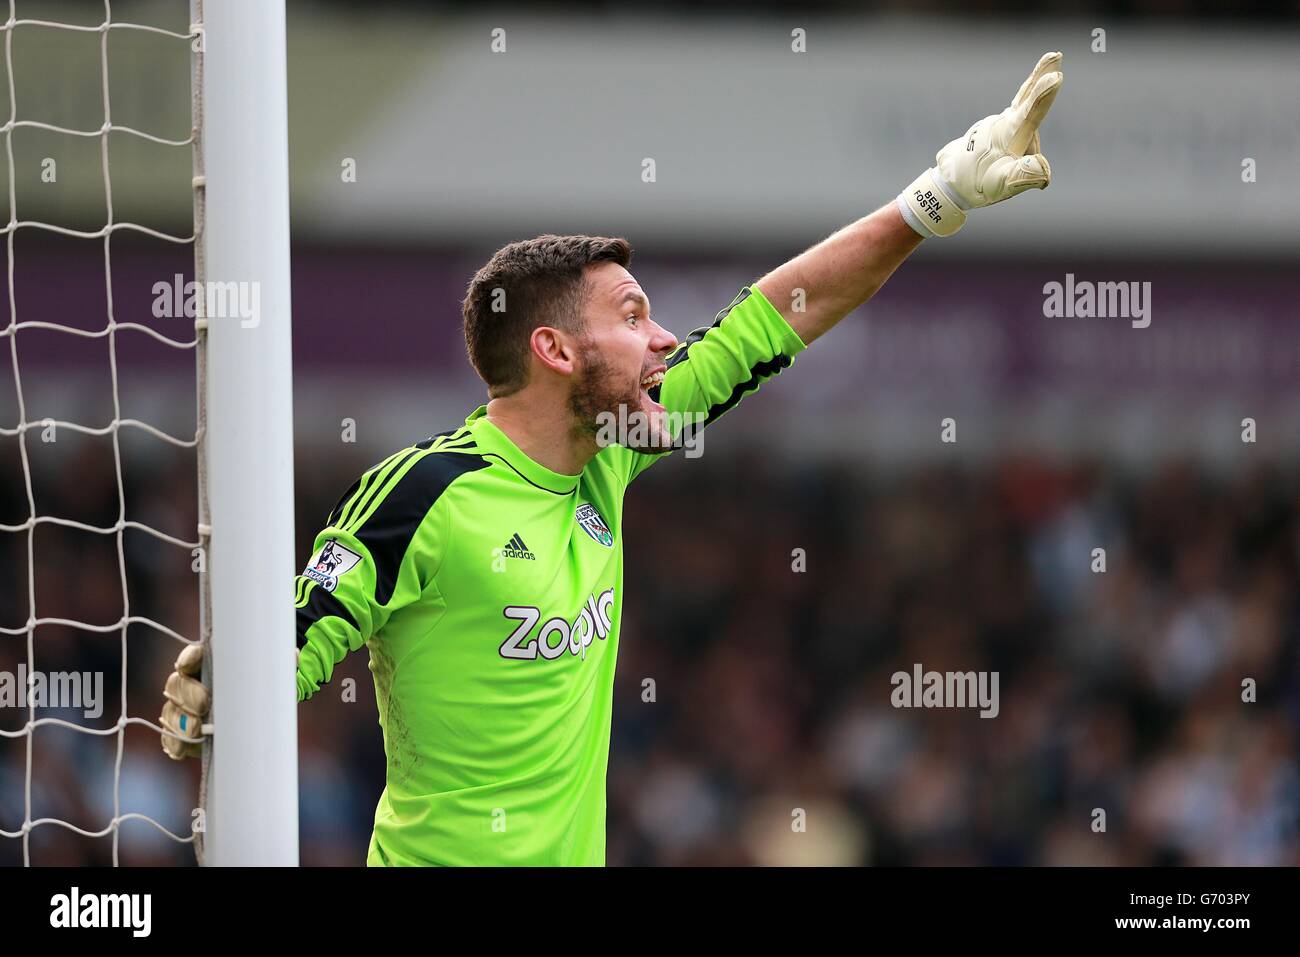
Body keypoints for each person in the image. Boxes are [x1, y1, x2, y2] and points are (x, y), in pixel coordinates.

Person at [160, 53, 1064, 866]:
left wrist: (938, 194)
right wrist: (224, 682)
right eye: (633, 317)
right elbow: (299, 638)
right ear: (555, 350)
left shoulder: (610, 454)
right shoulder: (427, 491)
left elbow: (777, 316)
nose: (667, 338)